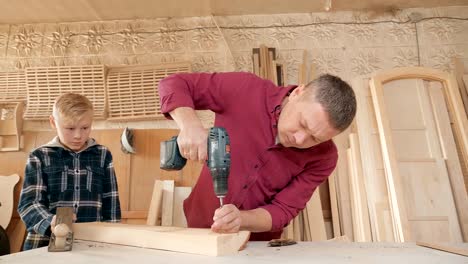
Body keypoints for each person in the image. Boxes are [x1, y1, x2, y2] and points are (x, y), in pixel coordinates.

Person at [158, 72, 356, 240]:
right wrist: (189, 125)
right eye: (303, 124)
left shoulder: (325, 158)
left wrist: (241, 219)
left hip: (256, 246)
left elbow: (283, 209)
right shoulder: (246, 89)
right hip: (196, 230)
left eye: (315, 138)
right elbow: (174, 83)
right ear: (297, 93)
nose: (300, 139)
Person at [18, 93, 121, 250]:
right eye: (70, 128)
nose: (78, 135)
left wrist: (112, 243)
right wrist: (49, 222)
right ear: (53, 122)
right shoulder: (39, 156)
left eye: (85, 128)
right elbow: (29, 204)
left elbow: (111, 204)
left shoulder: (102, 155)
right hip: (43, 246)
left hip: (91, 246)